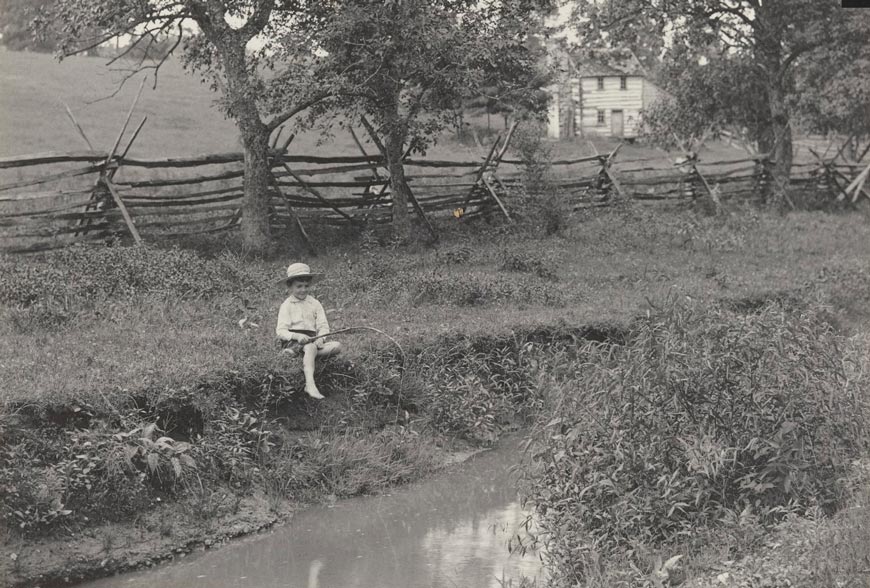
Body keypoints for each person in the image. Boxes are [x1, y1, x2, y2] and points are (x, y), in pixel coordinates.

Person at [276, 263, 342, 399]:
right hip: (293, 341)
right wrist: (296, 335)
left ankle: (300, 354)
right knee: (310, 347)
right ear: (290, 287)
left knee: (337, 346)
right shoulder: (287, 305)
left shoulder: (315, 303)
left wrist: (321, 338)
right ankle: (310, 384)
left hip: (312, 340)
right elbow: (281, 331)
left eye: (306, 286)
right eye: (299, 286)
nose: (303, 290)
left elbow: (323, 326)